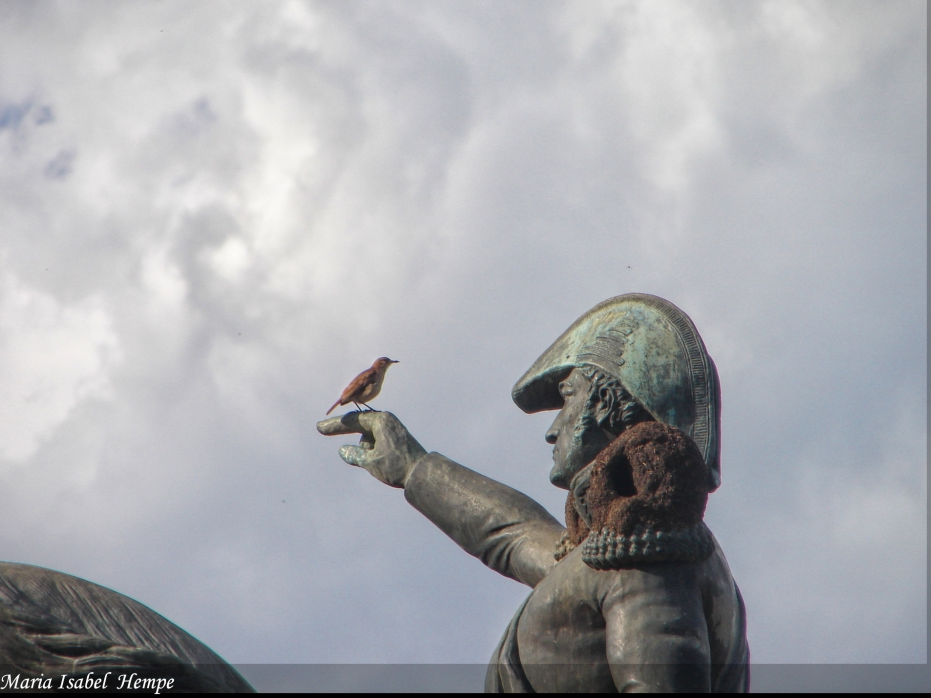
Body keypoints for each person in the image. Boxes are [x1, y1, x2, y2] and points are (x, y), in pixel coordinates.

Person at [318, 294, 750, 692]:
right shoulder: (623, 548)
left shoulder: (650, 559)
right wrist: (413, 466)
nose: (551, 430)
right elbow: (519, 537)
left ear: (606, 408)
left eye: (567, 399)